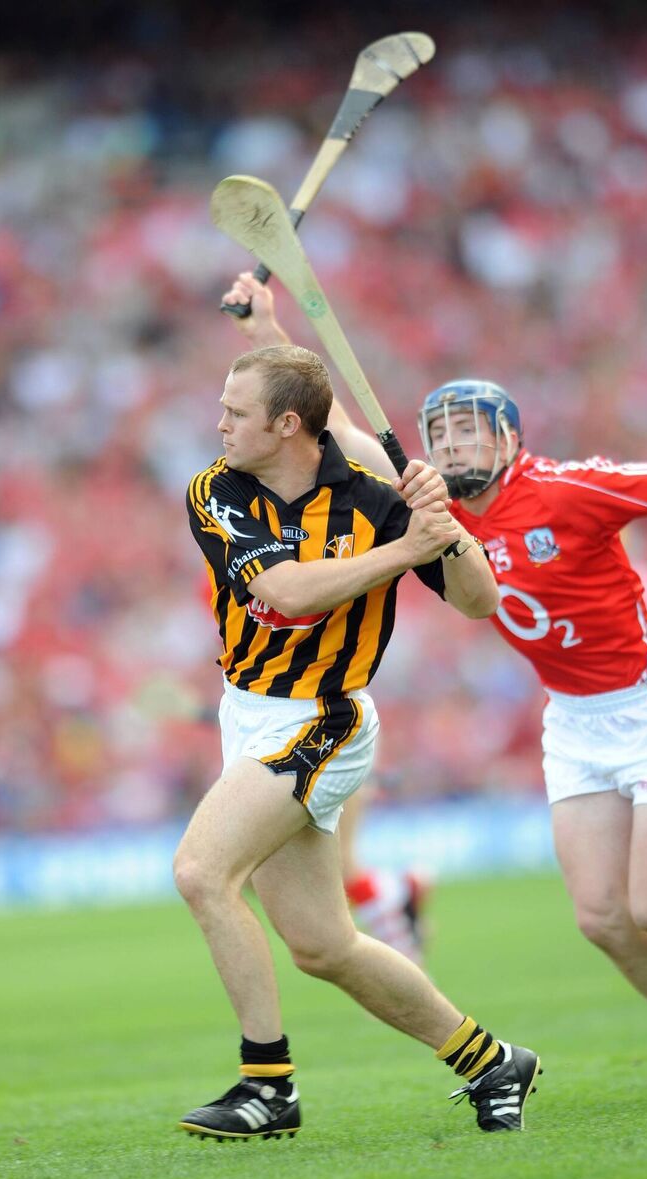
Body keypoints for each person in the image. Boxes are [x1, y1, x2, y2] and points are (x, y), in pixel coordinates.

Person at [235, 274, 647, 1098]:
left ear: (510, 439)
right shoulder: (438, 509)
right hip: (574, 724)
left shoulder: (568, 488)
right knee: (603, 920)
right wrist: (265, 326)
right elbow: (335, 427)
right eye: (442, 434)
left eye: (472, 433)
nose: (454, 447)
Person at [176, 338, 541, 1140]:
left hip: (325, 717)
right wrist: (407, 546)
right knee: (323, 945)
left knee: (202, 873)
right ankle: (492, 1062)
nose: (220, 424)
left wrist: (447, 531)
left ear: (288, 424)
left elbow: (481, 603)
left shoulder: (380, 499)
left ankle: (266, 1086)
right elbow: (285, 593)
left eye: (236, 414)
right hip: (249, 712)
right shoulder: (217, 488)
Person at [220, 273, 433, 966]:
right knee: (314, 927)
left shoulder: (378, 485)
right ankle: (397, 908)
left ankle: (395, 902)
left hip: (330, 708)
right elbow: (315, 415)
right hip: (277, 707)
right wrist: (264, 334)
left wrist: (426, 540)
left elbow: (323, 422)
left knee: (214, 873)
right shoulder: (244, 513)